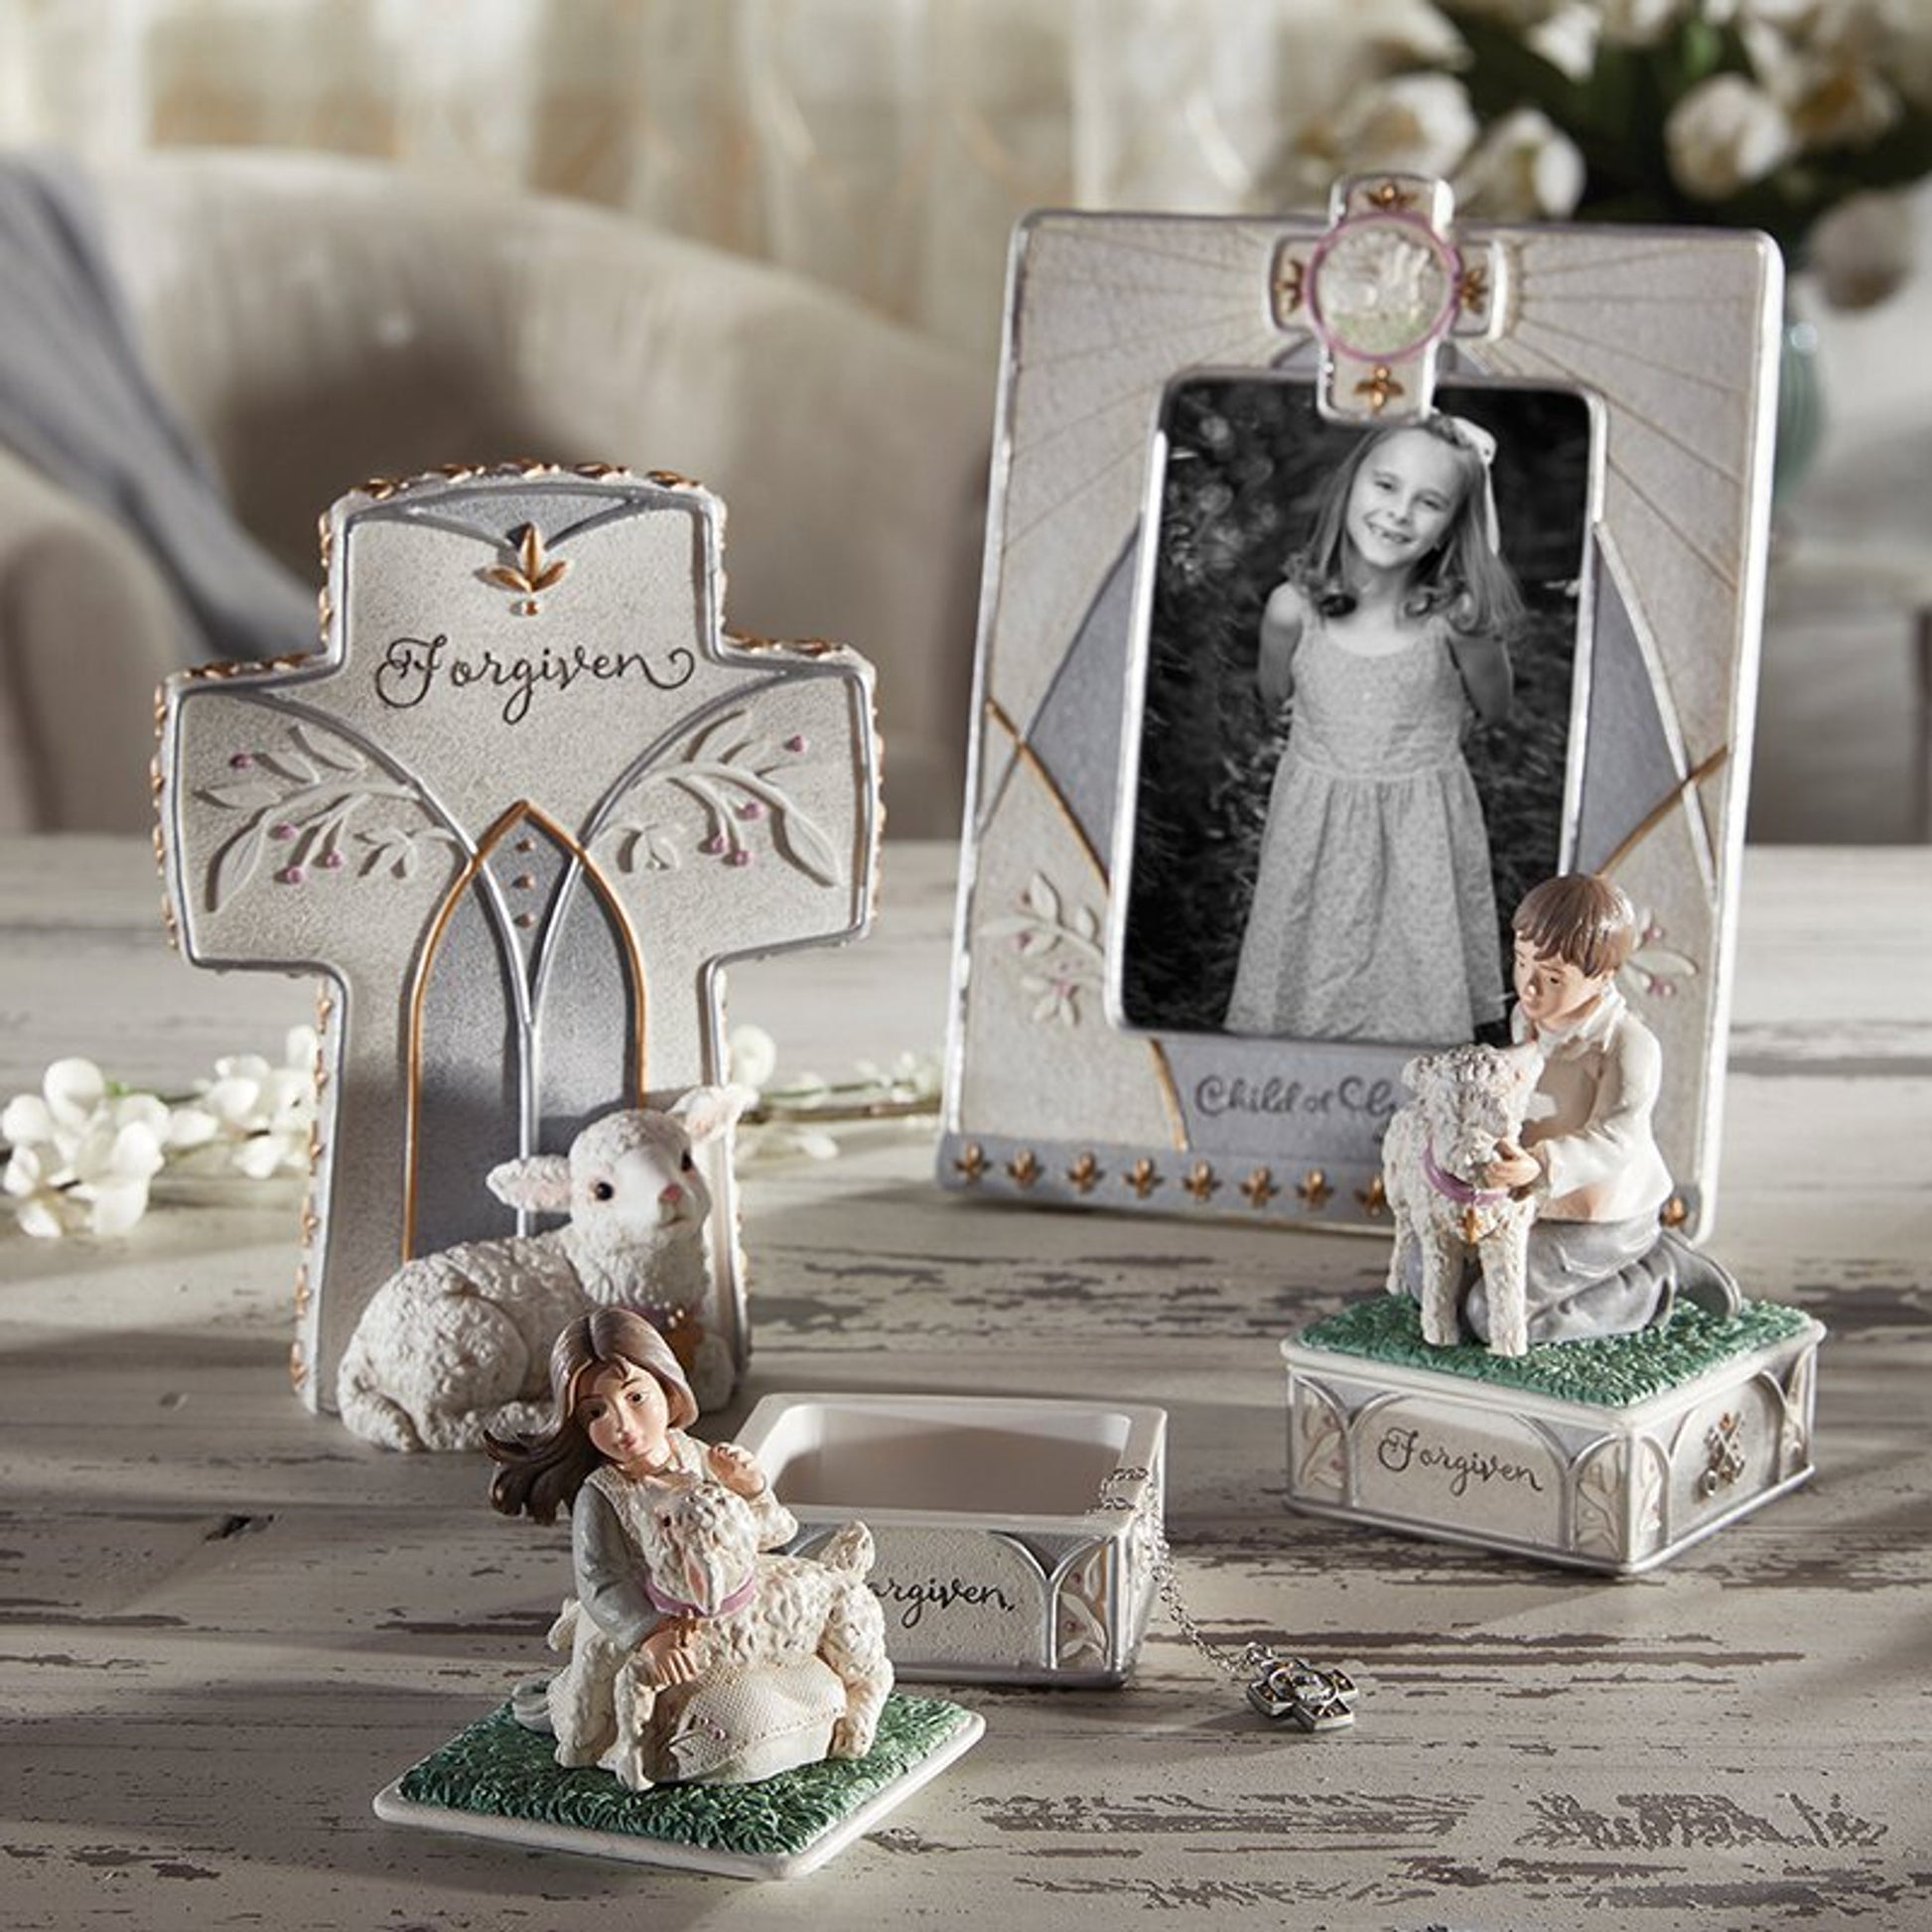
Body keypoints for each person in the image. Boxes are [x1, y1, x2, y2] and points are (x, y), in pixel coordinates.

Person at [1224, 412, 1520, 1044]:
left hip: (1421, 830)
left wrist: (1477, 645)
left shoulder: (1456, 622)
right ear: (1350, 486)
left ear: (1452, 527)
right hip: (1316, 825)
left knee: (1415, 981)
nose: (1399, 513)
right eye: (1385, 485)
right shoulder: (1291, 610)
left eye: (1429, 502)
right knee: (1306, 972)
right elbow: (1276, 698)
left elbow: (1495, 708)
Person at [486, 1307, 804, 1778]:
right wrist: (650, 1633)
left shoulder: (699, 1457)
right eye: (596, 1412)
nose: (622, 1425)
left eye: (635, 1397)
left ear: (668, 1390)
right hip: (640, 1616)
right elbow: (600, 1580)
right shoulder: (603, 1494)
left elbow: (766, 1537)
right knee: (615, 1688)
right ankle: (596, 1739)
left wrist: (752, 1489)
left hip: (720, 1611)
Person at [1445, 873, 1740, 1346]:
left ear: (1602, 977)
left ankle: (1653, 1279)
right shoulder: (1527, 1020)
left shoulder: (1628, 1046)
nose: (1529, 987)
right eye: (1522, 962)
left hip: (1598, 1215)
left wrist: (1540, 1166)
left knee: (1491, 1315)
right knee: (1434, 1281)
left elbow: (1615, 1139)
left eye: (1553, 977)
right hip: (1529, 1200)